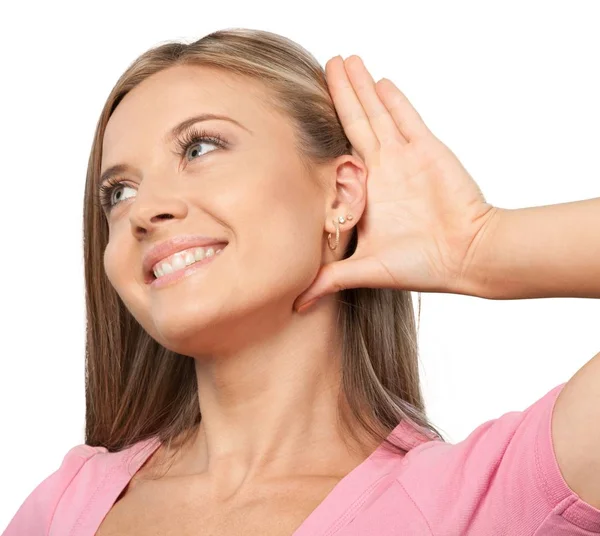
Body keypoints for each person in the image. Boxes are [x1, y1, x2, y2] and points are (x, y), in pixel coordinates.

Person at [4, 28, 600, 536]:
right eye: (118, 192)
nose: (143, 210)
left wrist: (479, 246)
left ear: (339, 194)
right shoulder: (65, 507)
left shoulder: (479, 503)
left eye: (200, 147)